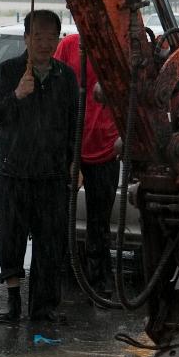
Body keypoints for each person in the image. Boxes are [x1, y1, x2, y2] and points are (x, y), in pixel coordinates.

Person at [0, 9, 77, 324]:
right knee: (12, 238)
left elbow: (73, 124)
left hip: (52, 174)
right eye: (38, 36)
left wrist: (75, 163)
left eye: (51, 37)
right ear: (26, 38)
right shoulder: (9, 72)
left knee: (50, 242)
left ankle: (42, 306)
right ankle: (13, 304)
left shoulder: (66, 77)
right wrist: (17, 95)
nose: (44, 43)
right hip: (14, 171)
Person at [55, 32, 121, 298]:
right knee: (58, 218)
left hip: (104, 148)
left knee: (99, 222)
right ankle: (62, 273)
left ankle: (99, 279)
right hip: (71, 148)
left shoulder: (114, 48)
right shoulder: (69, 46)